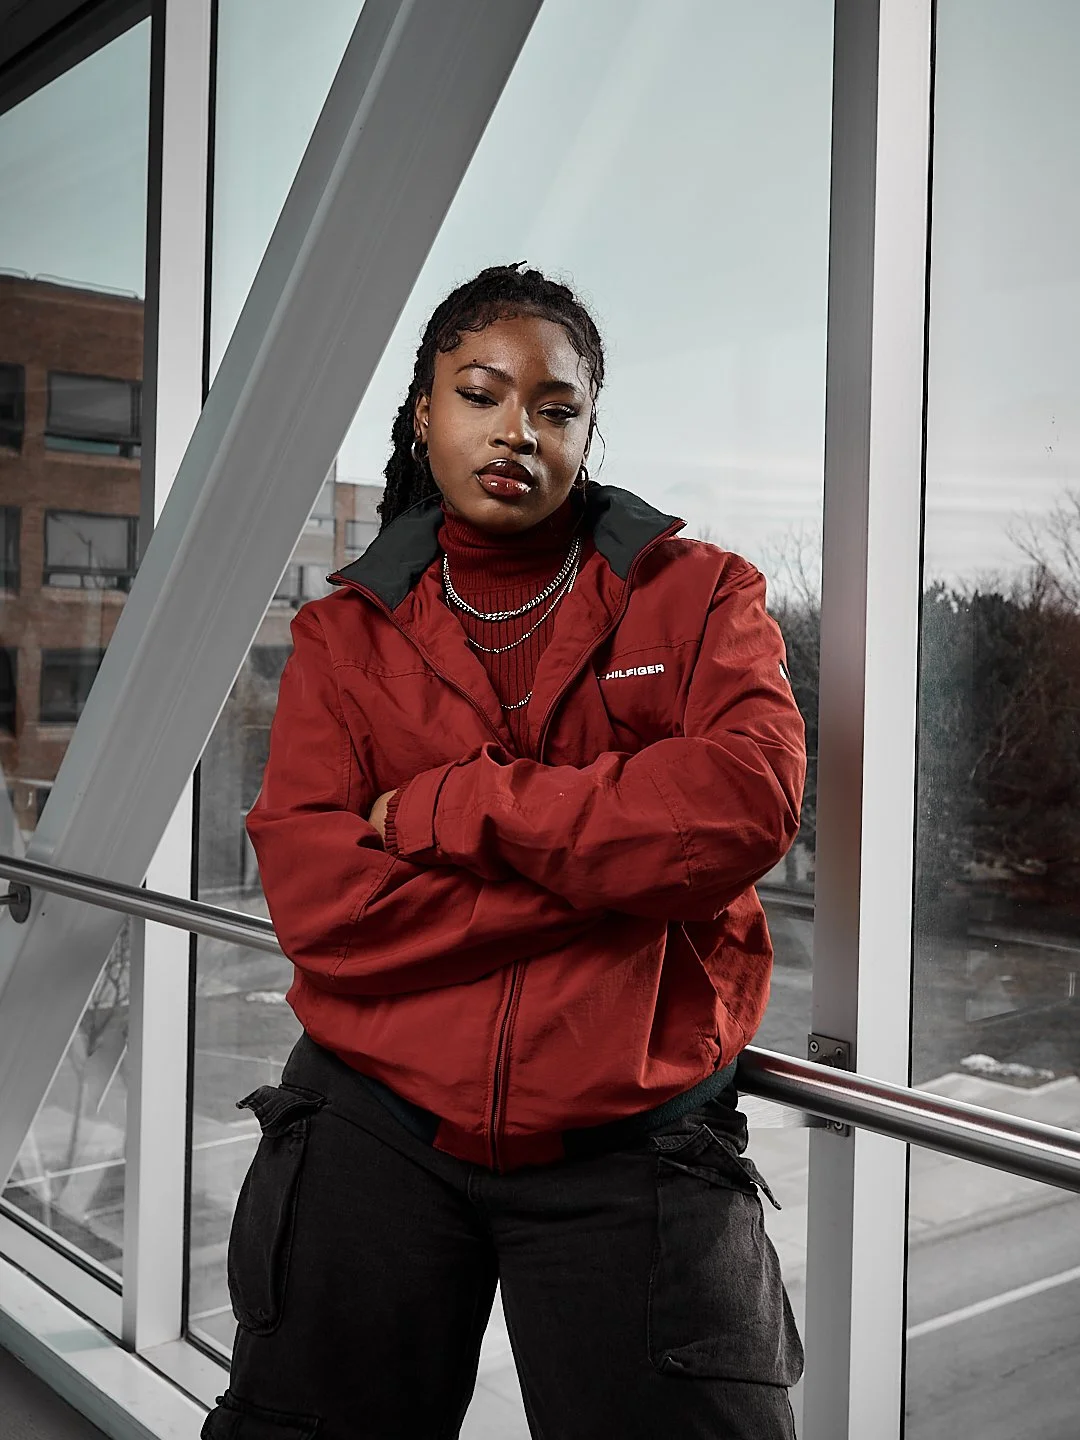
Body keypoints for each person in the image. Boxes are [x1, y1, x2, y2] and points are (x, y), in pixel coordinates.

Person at [201, 263, 807, 1440]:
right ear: (424, 413)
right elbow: (321, 900)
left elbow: (746, 805)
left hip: (634, 1146)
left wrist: (454, 811)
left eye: (557, 406)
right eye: (481, 394)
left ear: (590, 427)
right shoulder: (344, 634)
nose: (517, 431)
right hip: (372, 1129)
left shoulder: (699, 596)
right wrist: (621, 891)